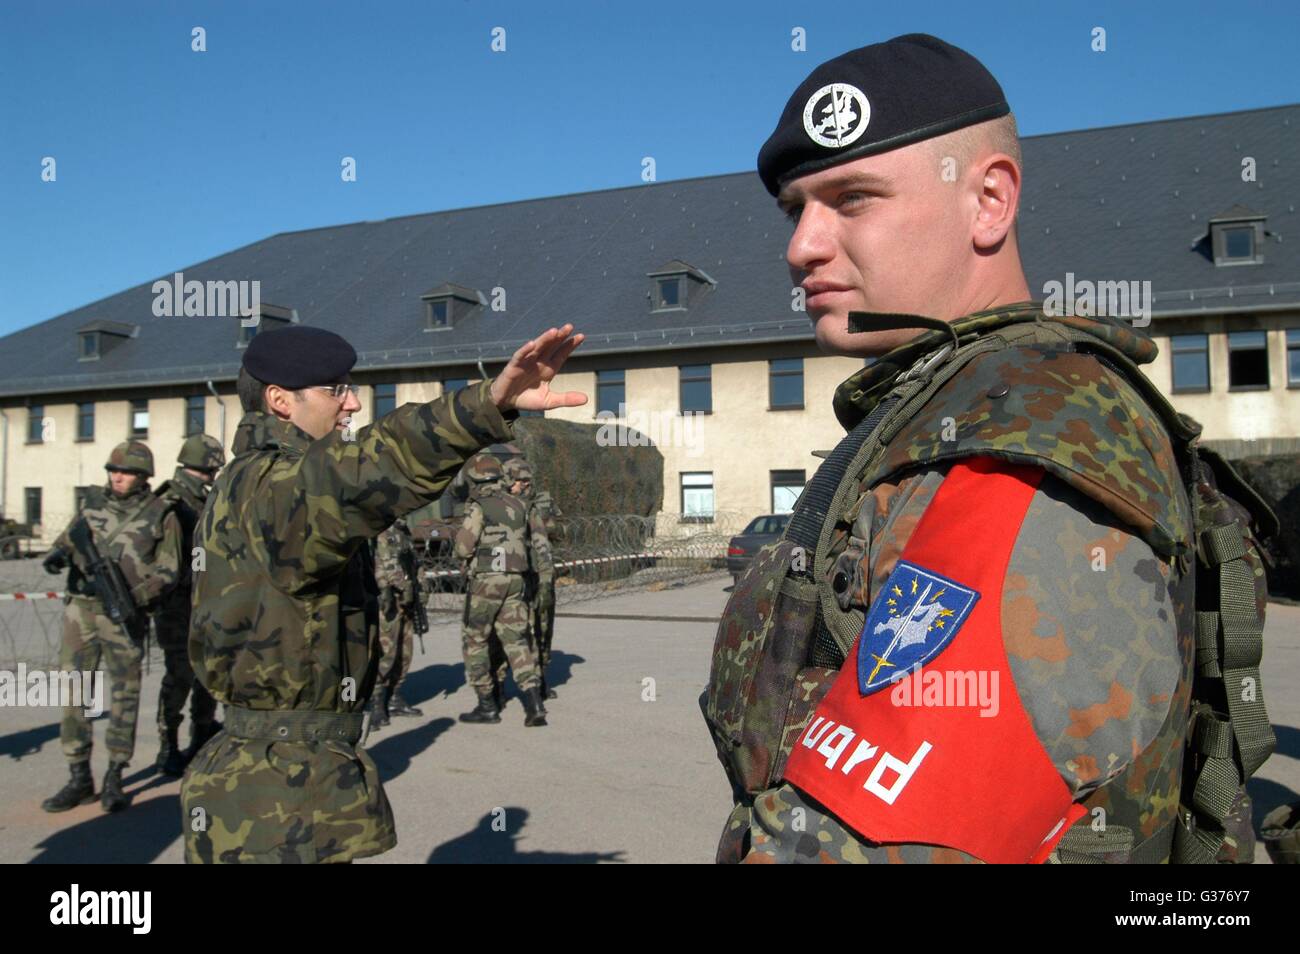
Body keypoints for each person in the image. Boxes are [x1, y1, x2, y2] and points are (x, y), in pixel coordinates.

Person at [702, 34, 1275, 864]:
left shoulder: (1024, 437)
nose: (801, 246)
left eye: (851, 199)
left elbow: (882, 838)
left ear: (989, 202)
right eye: (796, 209)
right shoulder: (947, 406)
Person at [181, 323, 585, 863]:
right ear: (280, 400)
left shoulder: (259, 479)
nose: (351, 404)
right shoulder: (273, 487)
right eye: (334, 390)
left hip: (287, 772)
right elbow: (372, 467)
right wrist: (482, 408)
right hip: (275, 794)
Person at [41, 441, 182, 813]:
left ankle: (115, 775)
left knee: (124, 695)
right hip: (82, 611)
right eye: (113, 470)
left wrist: (135, 597)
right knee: (75, 692)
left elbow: (169, 570)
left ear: (143, 477)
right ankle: (78, 776)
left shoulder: (161, 514)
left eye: (126, 472)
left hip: (125, 614)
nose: (117, 477)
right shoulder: (91, 505)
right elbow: (67, 540)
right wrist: (58, 555)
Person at [153, 433, 226, 776]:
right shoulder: (172, 501)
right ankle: (168, 744)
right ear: (208, 466)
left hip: (205, 602)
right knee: (180, 675)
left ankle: (202, 733)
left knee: (207, 673)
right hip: (178, 607)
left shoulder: (201, 500)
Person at [455, 455, 547, 727]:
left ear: (474, 478)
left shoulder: (479, 506)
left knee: (475, 640)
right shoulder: (520, 504)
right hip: (516, 579)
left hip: (487, 581)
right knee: (515, 640)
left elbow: (463, 547)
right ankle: (534, 704)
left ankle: (487, 705)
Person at [503, 456, 559, 698]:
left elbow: (559, 527)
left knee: (542, 628)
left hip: (541, 574)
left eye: (528, 481)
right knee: (511, 631)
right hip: (512, 576)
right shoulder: (499, 505)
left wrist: (543, 524)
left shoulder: (540, 502)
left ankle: (540, 678)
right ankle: (499, 684)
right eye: (519, 481)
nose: (524, 486)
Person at [369, 517, 423, 729]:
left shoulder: (403, 531)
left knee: (405, 651)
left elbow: (414, 562)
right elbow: (384, 561)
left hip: (407, 600)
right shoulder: (382, 530)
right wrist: (401, 585)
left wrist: (421, 586)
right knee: (387, 651)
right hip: (390, 600)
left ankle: (395, 697)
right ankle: (376, 704)